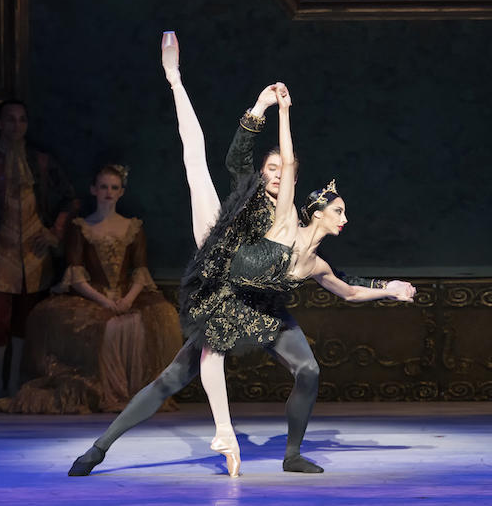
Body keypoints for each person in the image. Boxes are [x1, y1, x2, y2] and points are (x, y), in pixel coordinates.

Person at [68, 32, 415, 478]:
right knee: (196, 166)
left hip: (264, 305)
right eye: (269, 170)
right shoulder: (253, 195)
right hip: (224, 267)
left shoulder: (293, 216)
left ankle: (291, 453)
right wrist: (263, 107)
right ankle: (101, 448)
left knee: (308, 369)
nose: (274, 175)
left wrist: (388, 289)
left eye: (279, 171)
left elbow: (341, 283)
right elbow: (241, 158)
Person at [0, 165, 183, 414]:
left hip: (126, 294)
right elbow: (76, 273)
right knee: (82, 322)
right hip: (93, 295)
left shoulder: (132, 227)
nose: (108, 192)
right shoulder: (81, 227)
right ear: (94, 190)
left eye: (114, 187)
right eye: (103, 187)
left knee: (157, 317)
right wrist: (103, 301)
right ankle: (104, 390)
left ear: (121, 192)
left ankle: (133, 392)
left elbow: (140, 272)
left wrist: (128, 299)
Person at [0, 100, 78, 409]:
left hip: (34, 254)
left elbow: (70, 199)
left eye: (22, 120)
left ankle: (16, 383)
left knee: (25, 322)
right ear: (0, 124)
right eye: (10, 120)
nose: (17, 126)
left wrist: (54, 232)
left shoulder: (41, 161)